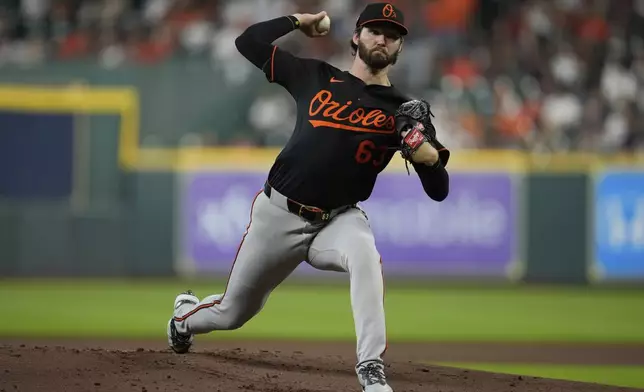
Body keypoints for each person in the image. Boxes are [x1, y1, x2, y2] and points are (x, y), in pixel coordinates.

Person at [167, 3, 450, 391]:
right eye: (374, 30)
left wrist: (425, 153)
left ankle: (371, 367)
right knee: (232, 313)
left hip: (338, 219)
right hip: (279, 214)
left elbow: (439, 190)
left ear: (400, 47)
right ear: (356, 36)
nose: (382, 38)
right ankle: (184, 318)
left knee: (365, 255)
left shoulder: (401, 112)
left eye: (393, 34)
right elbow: (247, 41)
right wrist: (300, 21)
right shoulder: (315, 75)